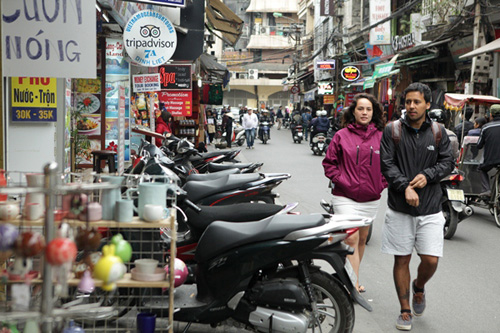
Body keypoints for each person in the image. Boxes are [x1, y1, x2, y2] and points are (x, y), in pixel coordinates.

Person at [380, 82, 454, 331]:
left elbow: (447, 162)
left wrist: (429, 174)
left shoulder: (439, 132)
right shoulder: (392, 130)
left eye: (417, 102)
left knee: (431, 260)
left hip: (431, 208)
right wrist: (405, 186)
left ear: (427, 104)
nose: (411, 106)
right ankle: (404, 310)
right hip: (399, 208)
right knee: (401, 259)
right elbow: (387, 165)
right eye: (408, 102)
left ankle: (419, 287)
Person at [322, 93, 387, 294]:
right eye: (361, 108)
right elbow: (329, 164)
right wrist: (344, 181)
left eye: (368, 109)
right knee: (350, 239)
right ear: (354, 111)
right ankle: (351, 285)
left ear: (374, 112)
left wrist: (380, 184)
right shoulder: (341, 136)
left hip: (371, 198)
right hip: (344, 196)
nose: (365, 112)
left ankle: (353, 277)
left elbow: (390, 165)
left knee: (361, 239)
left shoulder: (382, 136)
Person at [477, 104, 500, 196]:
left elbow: (479, 145)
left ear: (491, 115)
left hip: (490, 160)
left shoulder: (486, 127)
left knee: (482, 169)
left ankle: (487, 190)